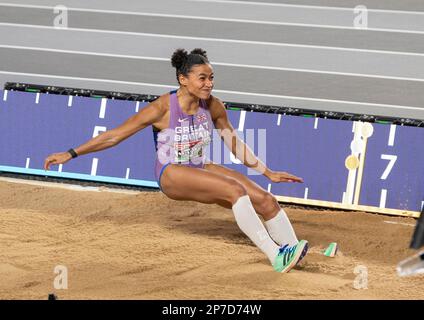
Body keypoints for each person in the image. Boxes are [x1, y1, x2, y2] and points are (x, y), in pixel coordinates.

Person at [44, 48, 309, 273]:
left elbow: (234, 143)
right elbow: (114, 136)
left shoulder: (214, 106)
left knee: (265, 199)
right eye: (202, 78)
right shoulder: (162, 107)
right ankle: (276, 255)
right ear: (183, 79)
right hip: (171, 173)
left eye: (211, 78)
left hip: (199, 165)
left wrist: (267, 172)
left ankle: (292, 250)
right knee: (235, 190)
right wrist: (71, 153)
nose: (209, 83)